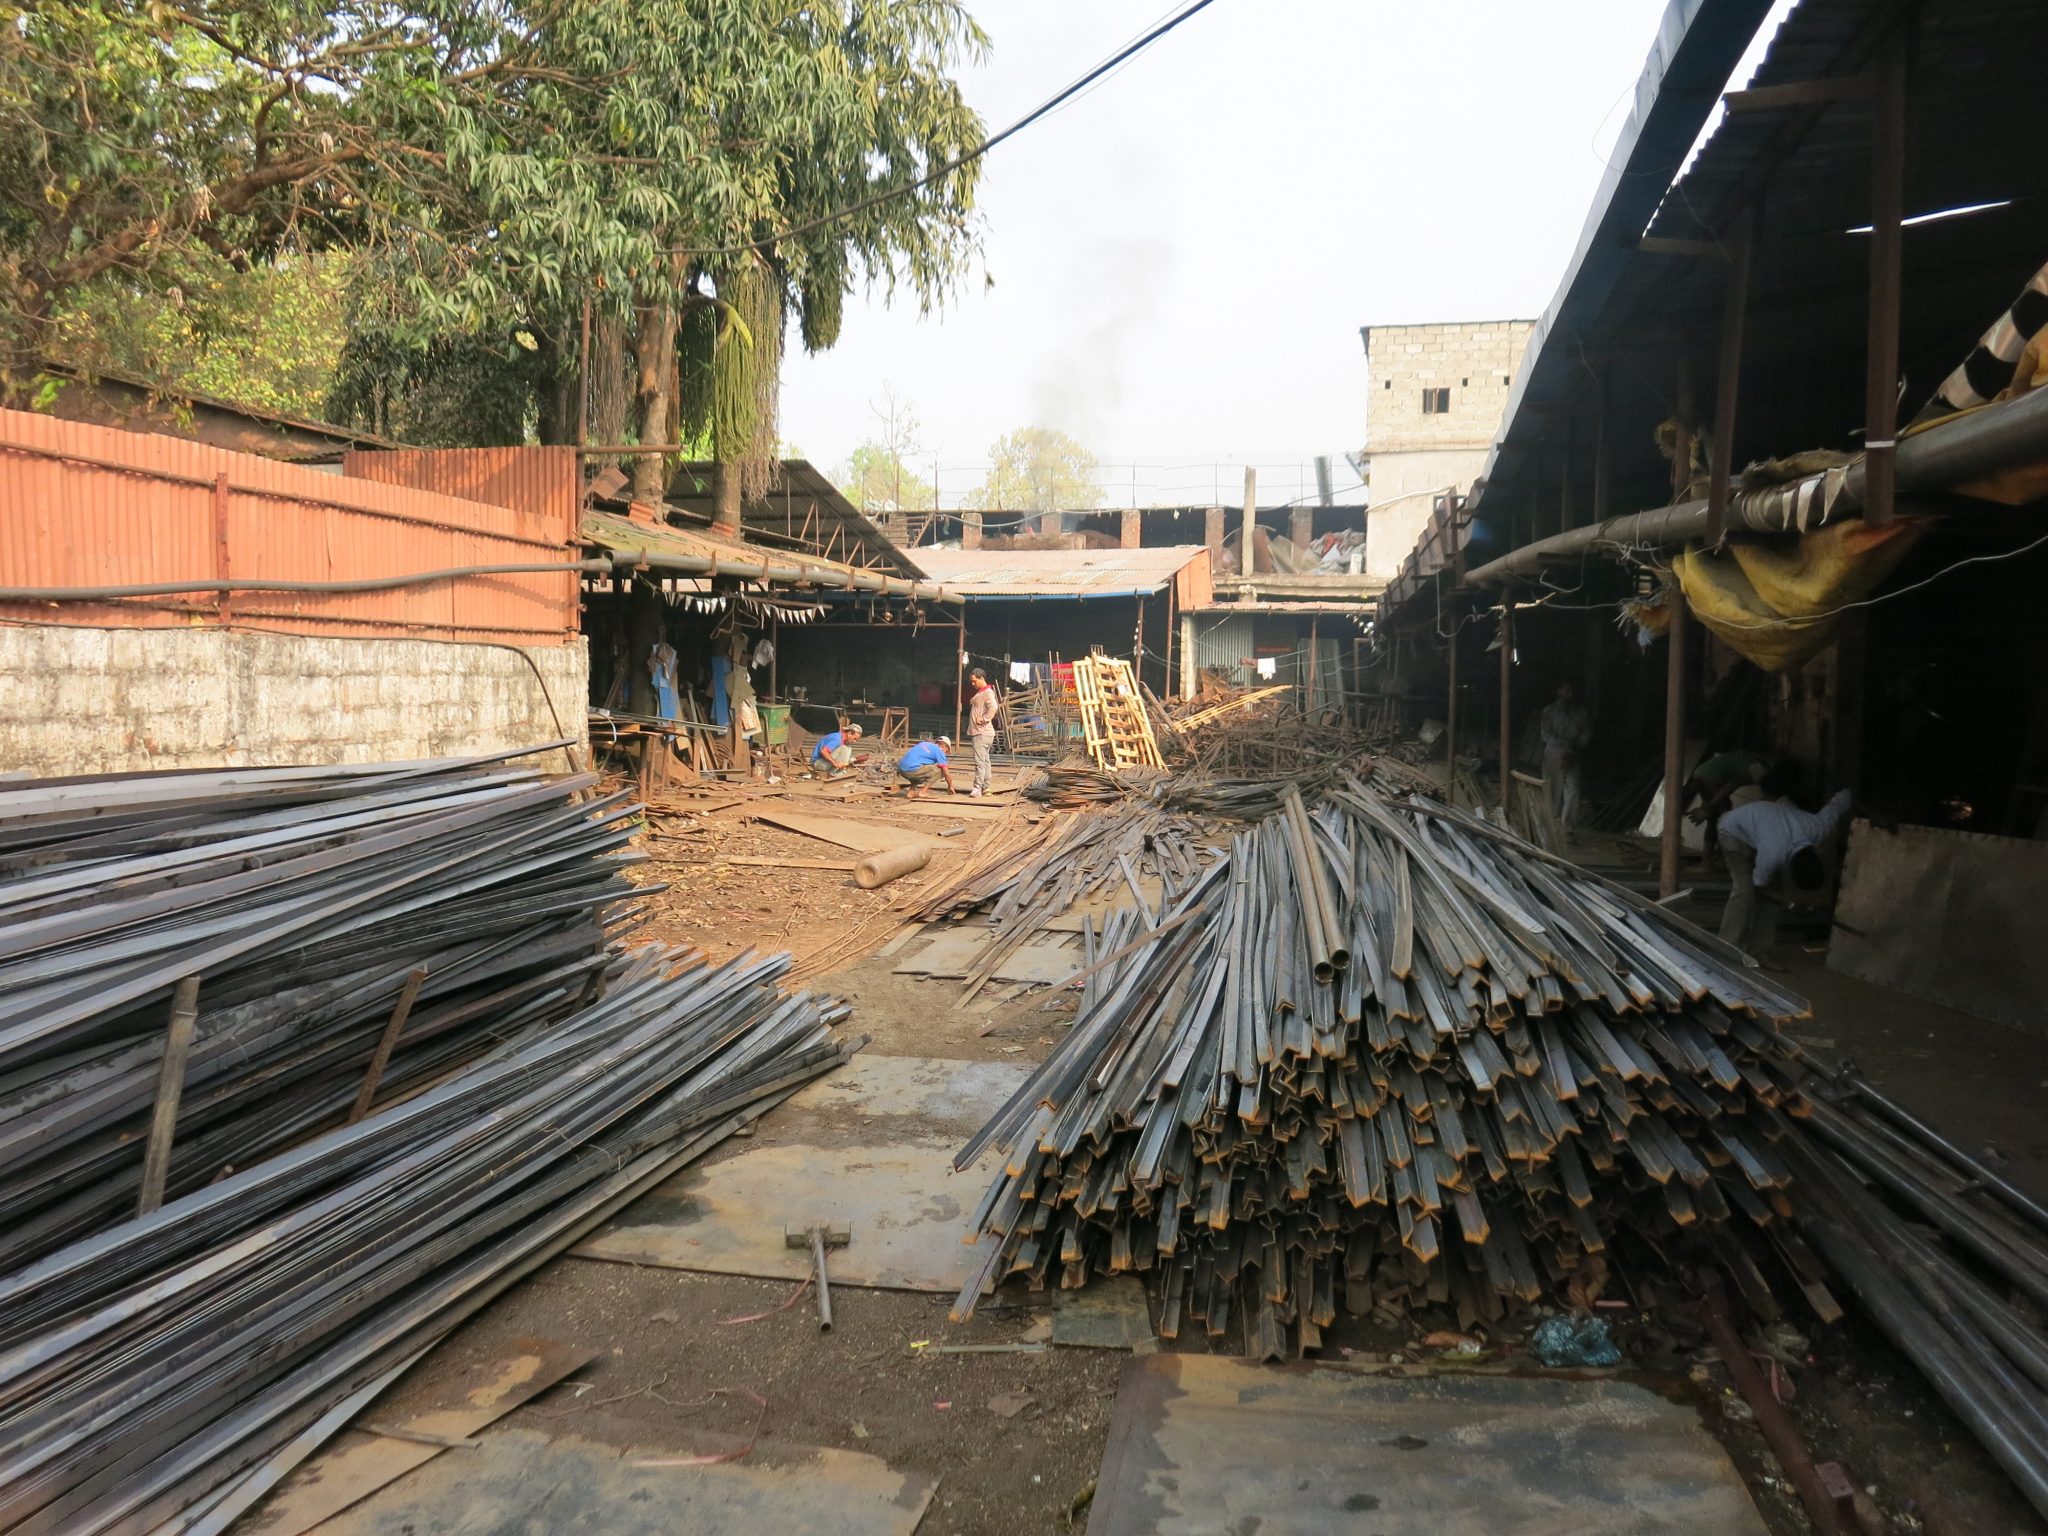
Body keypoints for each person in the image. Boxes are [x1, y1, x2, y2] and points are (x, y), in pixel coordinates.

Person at [1716, 765, 1853, 961]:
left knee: (1771, 898)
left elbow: (1841, 801)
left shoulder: (1818, 828)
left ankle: (1758, 951)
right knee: (1744, 891)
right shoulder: (1774, 852)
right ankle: (1726, 947)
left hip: (1761, 829)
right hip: (1731, 830)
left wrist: (1853, 794)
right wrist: (1788, 900)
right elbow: (1759, 884)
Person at [1684, 747, 1771, 871]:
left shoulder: (1758, 768)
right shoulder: (1759, 770)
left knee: (1719, 816)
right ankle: (1710, 862)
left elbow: (1732, 784)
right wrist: (1708, 807)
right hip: (1709, 776)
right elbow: (1732, 785)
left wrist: (1709, 807)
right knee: (1716, 818)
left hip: (1708, 775)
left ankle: (1712, 862)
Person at [1538, 682, 1592, 832]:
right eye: (1567, 690)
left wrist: (1580, 743)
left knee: (1573, 789)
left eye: (1572, 690)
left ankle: (1568, 827)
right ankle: (1550, 824)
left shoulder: (1581, 712)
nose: (1570, 694)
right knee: (1553, 789)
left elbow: (1586, 731)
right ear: (1559, 691)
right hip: (1555, 754)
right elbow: (1546, 734)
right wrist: (1563, 745)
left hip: (1574, 754)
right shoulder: (1549, 711)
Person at [966, 667, 1000, 796]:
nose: (973, 684)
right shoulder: (982, 692)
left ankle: (977, 788)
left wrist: (984, 719)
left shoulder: (987, 692)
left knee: (980, 762)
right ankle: (986, 788)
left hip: (981, 732)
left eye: (975, 681)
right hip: (985, 733)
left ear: (982, 678)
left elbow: (994, 707)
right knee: (985, 762)